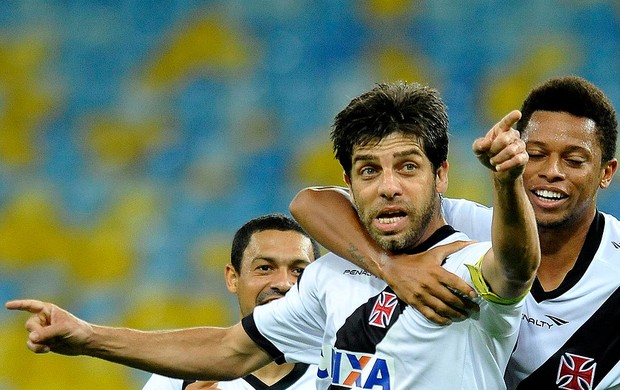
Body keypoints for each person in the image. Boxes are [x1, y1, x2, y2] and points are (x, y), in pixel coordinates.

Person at [5, 81, 540, 389]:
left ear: (440, 174)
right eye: (369, 171)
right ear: (350, 182)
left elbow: (516, 267)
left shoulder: (467, 263)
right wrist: (88, 337)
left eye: (408, 167)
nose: (388, 188)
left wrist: (508, 183)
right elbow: (229, 349)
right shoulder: (330, 276)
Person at [289, 75, 620, 389]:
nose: (551, 172)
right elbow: (310, 203)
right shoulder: (465, 225)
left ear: (606, 172)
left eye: (574, 160)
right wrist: (389, 266)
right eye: (535, 155)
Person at [143, 213, 321, 389]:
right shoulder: (185, 374)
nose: (283, 283)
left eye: (298, 271)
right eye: (265, 268)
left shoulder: (340, 371)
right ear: (233, 278)